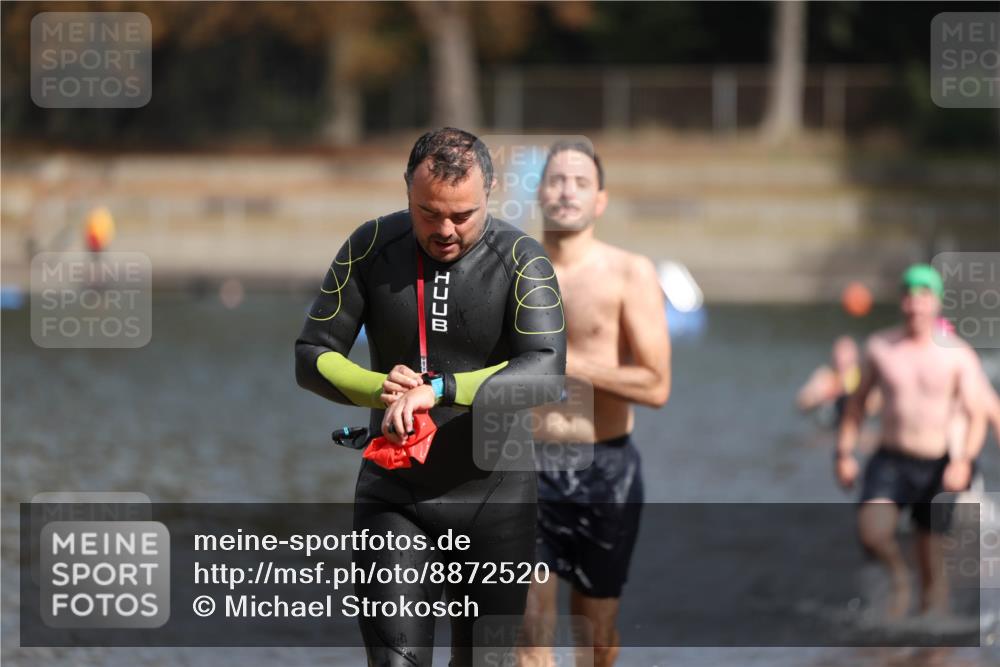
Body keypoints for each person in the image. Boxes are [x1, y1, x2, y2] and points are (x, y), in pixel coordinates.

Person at [295, 128, 567, 666]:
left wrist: (438, 391)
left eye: (461, 215)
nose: (444, 229)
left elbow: (547, 370)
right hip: (397, 496)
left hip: (496, 500)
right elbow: (311, 354)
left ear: (489, 189)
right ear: (406, 190)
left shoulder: (523, 260)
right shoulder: (370, 247)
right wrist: (382, 389)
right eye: (428, 212)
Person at [516, 141, 671, 667]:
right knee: (528, 629)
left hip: (605, 467)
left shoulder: (630, 273)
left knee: (597, 638)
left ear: (599, 201)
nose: (566, 190)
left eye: (580, 182)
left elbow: (656, 386)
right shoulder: (506, 271)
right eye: (556, 179)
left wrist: (566, 364)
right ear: (539, 192)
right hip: (523, 467)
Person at [835, 264, 987, 619]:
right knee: (872, 533)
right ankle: (900, 577)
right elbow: (856, 406)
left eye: (923, 296)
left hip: (939, 466)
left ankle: (935, 641)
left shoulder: (958, 355)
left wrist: (963, 461)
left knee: (931, 559)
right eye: (908, 296)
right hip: (891, 458)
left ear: (937, 303)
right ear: (901, 302)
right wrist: (843, 453)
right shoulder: (880, 348)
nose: (915, 305)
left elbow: (977, 415)